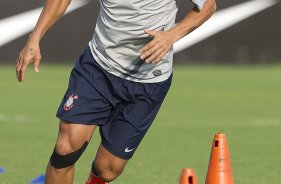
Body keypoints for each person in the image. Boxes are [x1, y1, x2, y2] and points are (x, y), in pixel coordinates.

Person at [16, 0, 216, 183]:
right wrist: (35, 38)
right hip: (98, 68)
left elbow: (208, 5)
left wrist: (171, 35)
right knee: (65, 148)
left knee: (108, 170)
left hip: (148, 81)